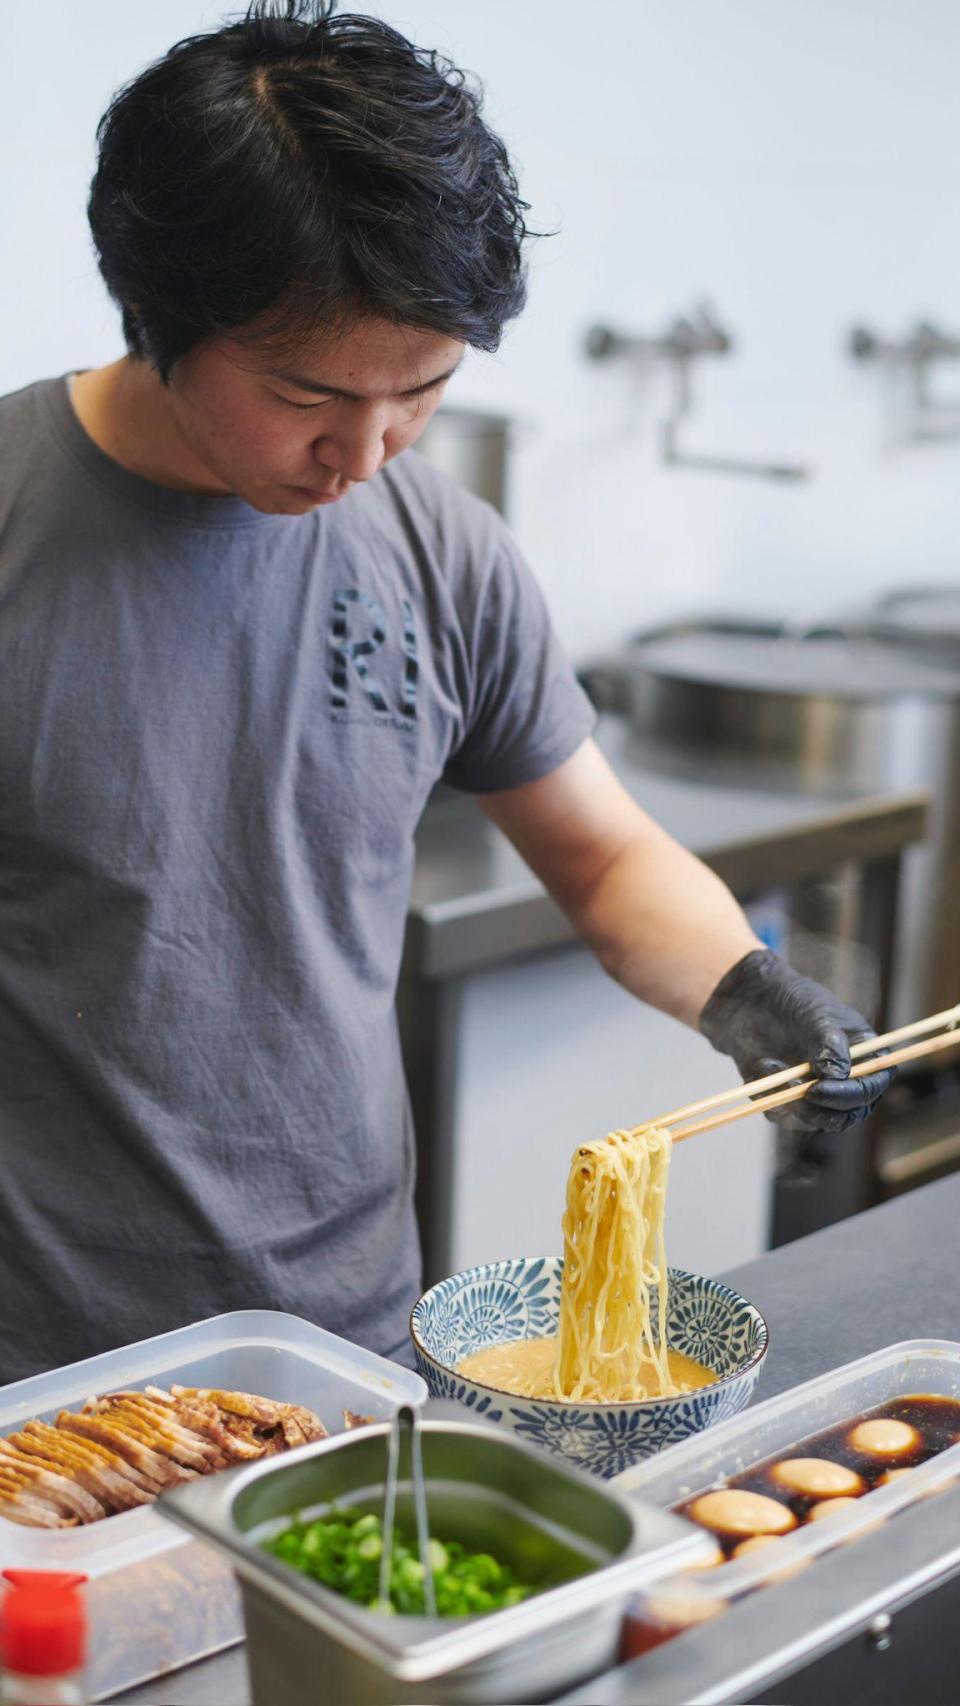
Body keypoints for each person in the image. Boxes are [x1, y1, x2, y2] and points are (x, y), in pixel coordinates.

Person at [0, 0, 892, 1384]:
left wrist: (751, 990)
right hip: (43, 1378)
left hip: (349, 1351)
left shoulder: (442, 547)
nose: (364, 454)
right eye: (311, 394)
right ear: (165, 315)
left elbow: (597, 853)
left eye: (418, 392)